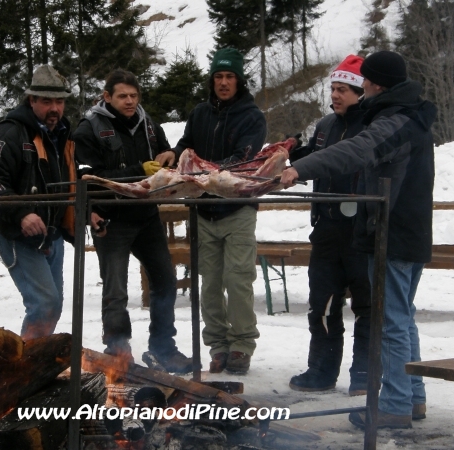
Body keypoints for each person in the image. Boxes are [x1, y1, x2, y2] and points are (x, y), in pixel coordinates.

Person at [281, 50, 436, 429]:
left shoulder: (396, 121)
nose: (360, 84)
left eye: (365, 79)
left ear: (377, 83)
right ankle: (412, 397)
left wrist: (298, 169)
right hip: (403, 230)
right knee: (403, 318)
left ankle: (396, 404)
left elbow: (356, 150)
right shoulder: (404, 114)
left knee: (391, 321)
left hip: (394, 233)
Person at [73, 69, 192, 374]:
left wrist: (169, 156)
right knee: (116, 290)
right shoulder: (89, 129)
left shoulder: (149, 125)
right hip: (111, 217)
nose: (129, 102)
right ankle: (118, 351)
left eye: (134, 96)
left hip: (147, 215)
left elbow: (167, 154)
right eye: (122, 96)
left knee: (165, 281)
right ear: (107, 97)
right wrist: (139, 169)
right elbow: (87, 179)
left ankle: (163, 348)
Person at [158, 48, 267, 375]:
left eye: (229, 77)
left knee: (238, 280)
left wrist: (204, 173)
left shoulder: (252, 117)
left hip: (237, 208)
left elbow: (244, 160)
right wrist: (173, 154)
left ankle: (241, 345)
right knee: (209, 283)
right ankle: (218, 345)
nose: (223, 82)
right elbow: (188, 145)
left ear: (239, 80)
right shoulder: (201, 113)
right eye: (218, 77)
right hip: (204, 211)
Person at [288, 55, 371, 396]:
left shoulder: (373, 125)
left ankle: (364, 375)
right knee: (321, 304)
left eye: (342, 90)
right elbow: (313, 157)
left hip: (362, 229)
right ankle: (321, 370)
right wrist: (294, 152)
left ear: (359, 92)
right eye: (332, 89)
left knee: (366, 308)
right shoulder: (325, 126)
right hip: (326, 227)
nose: (334, 96)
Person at [0, 65, 75, 340]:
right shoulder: (10, 133)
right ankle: (24, 370)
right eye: (46, 101)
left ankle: (34, 363)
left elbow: (71, 179)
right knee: (44, 304)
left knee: (52, 307)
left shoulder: (63, 135)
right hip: (17, 233)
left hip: (51, 233)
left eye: (59, 101)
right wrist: (22, 213)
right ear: (31, 100)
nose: (54, 108)